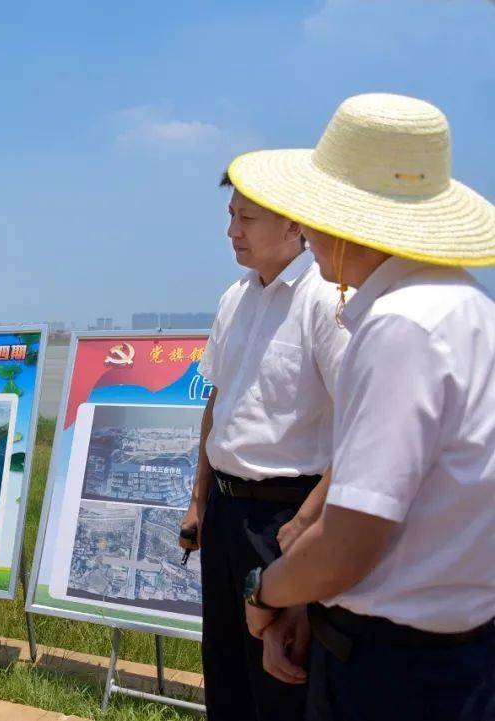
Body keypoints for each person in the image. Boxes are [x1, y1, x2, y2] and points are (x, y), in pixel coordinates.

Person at [236, 93, 495, 721]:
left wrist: (264, 590)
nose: (310, 232)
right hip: (458, 654)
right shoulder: (467, 307)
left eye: (316, 215)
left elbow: (350, 544)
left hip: (393, 669)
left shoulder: (400, 326)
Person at [179, 170, 350, 719]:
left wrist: (305, 529)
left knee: (283, 681)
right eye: (231, 216)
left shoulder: (326, 301)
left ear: (294, 224)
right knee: (226, 669)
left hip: (288, 515)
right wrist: (199, 502)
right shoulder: (235, 299)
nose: (233, 231)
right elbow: (218, 405)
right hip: (228, 515)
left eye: (246, 218)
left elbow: (360, 426)